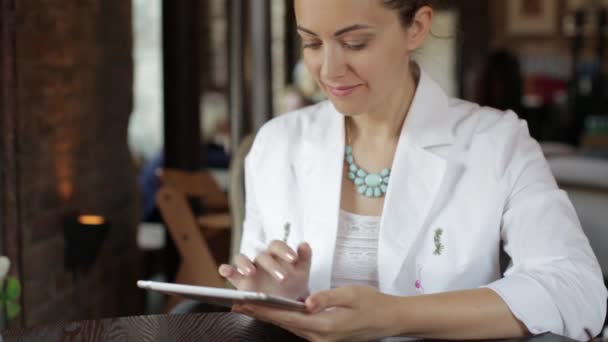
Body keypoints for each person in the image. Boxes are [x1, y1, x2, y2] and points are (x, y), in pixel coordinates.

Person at [218, 1, 607, 340]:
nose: (330, 70)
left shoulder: (497, 142)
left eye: (355, 43)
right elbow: (256, 300)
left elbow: (576, 290)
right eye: (312, 43)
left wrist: (393, 316)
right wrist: (274, 296)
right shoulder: (276, 144)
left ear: (416, 28)